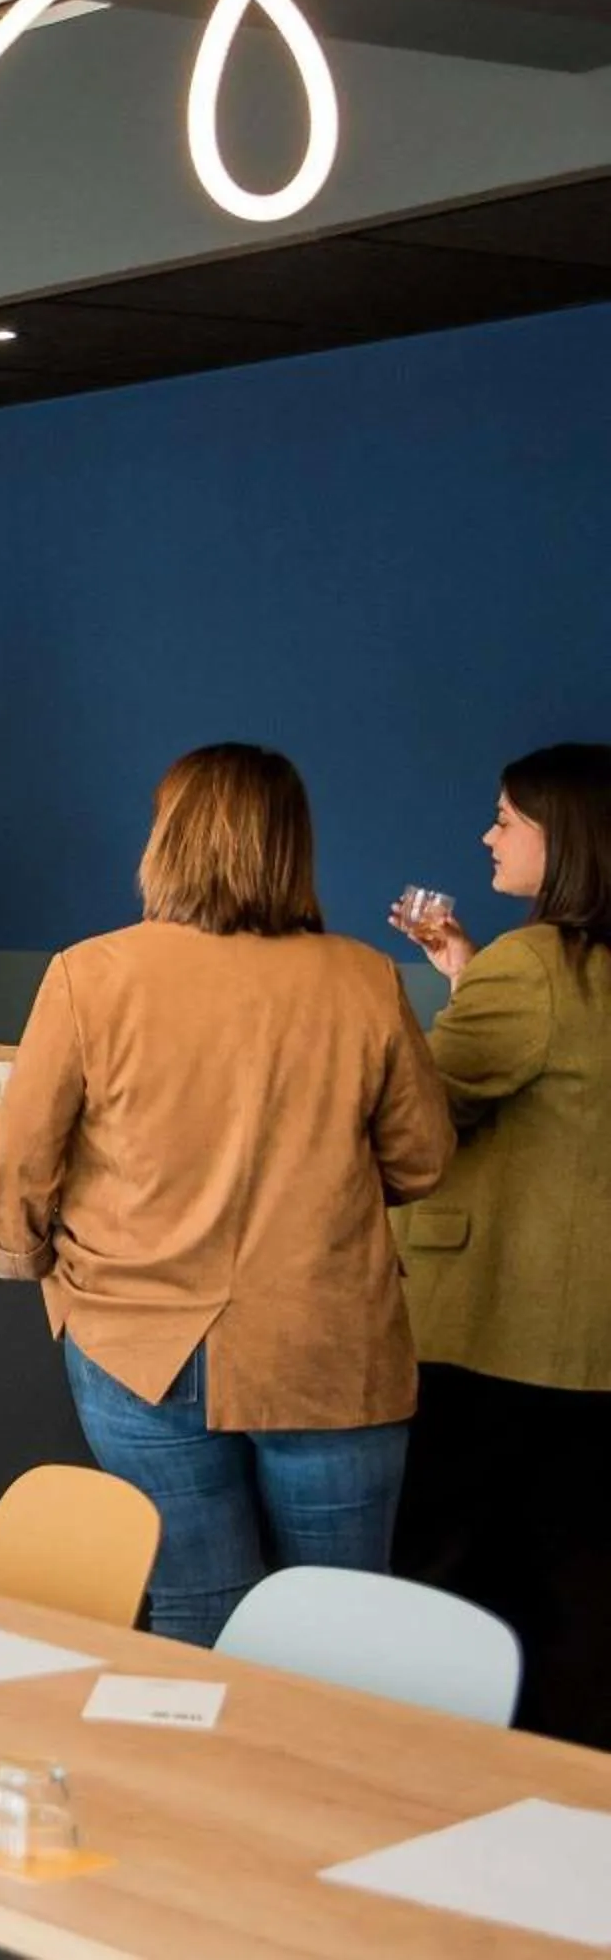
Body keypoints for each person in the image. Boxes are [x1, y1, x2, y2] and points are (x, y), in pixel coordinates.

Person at [0, 744, 453, 1646]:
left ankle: (200, 1786)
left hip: (135, 1334)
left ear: (169, 841)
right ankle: (327, 1790)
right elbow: (423, 1161)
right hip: (327, 1339)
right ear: (292, 848)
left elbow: (23, 1159)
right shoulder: (363, 978)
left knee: (198, 1604)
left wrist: (25, 1255)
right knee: (344, 1628)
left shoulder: (92, 973)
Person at [389, 742, 611, 1746]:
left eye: (506, 819)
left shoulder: (534, 964)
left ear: (562, 839)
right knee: (577, 1585)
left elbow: (422, 1116)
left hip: (496, 1325)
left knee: (456, 1579)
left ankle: (447, 1792)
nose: (488, 833)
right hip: (585, 1336)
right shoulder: (573, 969)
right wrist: (466, 973)